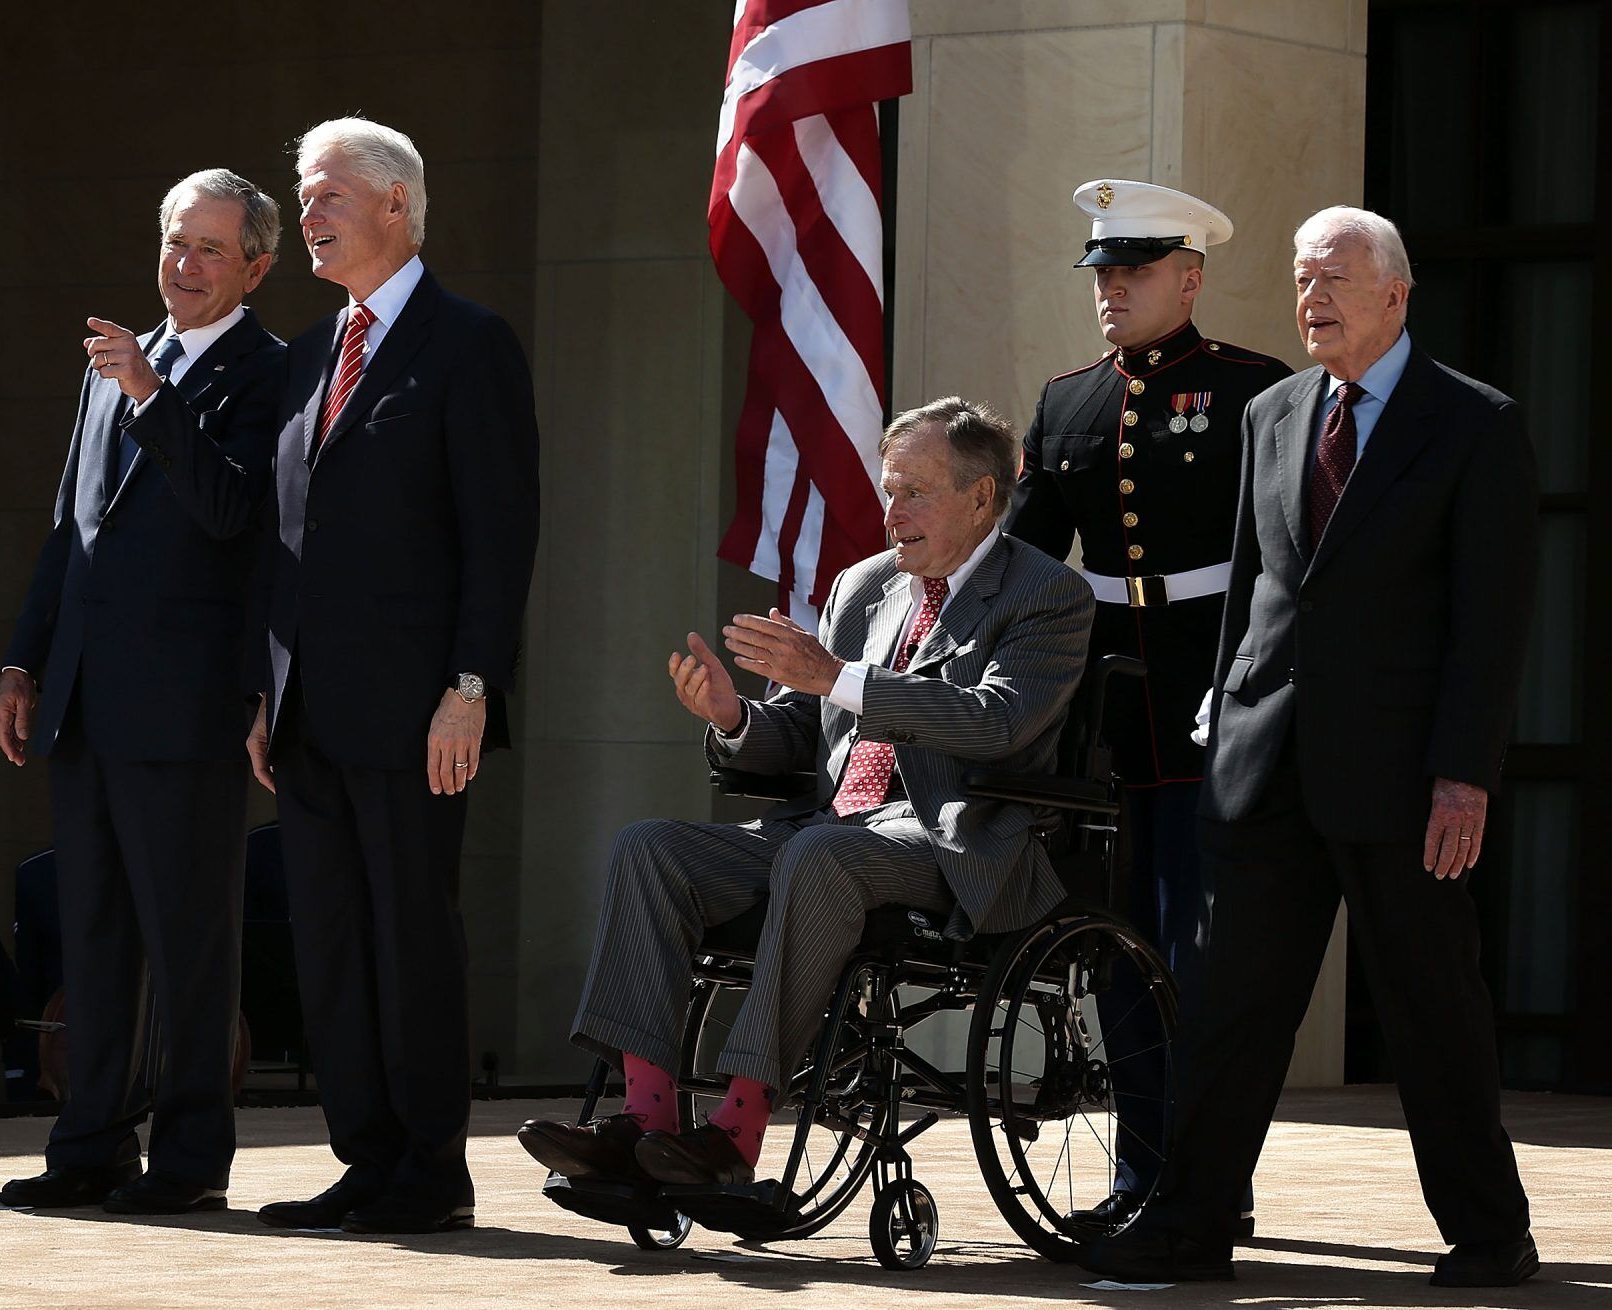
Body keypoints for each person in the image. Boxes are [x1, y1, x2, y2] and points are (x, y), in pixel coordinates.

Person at [1079, 207, 1542, 1288]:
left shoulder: (1473, 423)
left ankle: (1488, 1232)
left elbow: (1492, 621)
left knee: (1431, 1014)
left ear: (1394, 293)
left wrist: (1462, 773)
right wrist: (1220, 719)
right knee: (1228, 1009)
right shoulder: (1276, 410)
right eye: (1299, 278)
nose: (1311, 298)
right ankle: (1188, 1223)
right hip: (1261, 763)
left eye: (1333, 277)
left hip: (1399, 777)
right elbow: (1252, 586)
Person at [132, 117, 540, 1234]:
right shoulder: (311, 352)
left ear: (397, 204)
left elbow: (499, 536)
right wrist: (267, 687)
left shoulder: (468, 343)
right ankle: (364, 1157)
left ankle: (429, 1167)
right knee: (330, 941)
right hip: (307, 708)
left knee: (411, 935)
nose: (306, 215)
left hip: (418, 711)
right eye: (302, 199)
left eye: (325, 198)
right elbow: (279, 536)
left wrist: (471, 685)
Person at [518, 398, 1093, 1190]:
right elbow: (801, 731)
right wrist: (731, 717)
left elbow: (998, 722)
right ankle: (645, 1123)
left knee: (822, 854)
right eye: (890, 491)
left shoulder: (1046, 593)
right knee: (649, 847)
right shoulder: (863, 587)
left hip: (952, 837)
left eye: (916, 492)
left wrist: (838, 676)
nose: (894, 512)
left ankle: (735, 1135)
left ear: (982, 497)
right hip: (828, 829)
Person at [0, 168, 287, 1215]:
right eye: (172, 242)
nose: (183, 264)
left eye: (208, 248)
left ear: (254, 263)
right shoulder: (110, 367)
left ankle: (191, 1158)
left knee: (189, 942)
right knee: (97, 934)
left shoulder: (268, 374)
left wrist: (154, 401)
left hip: (189, 705)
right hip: (84, 695)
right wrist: (25, 659)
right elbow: (69, 532)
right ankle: (89, 1145)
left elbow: (232, 516)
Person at [1007, 180, 1291, 1233]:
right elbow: (1028, 563)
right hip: (1107, 714)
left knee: (1205, 957)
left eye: (1131, 273)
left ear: (1189, 276)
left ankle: (1209, 1176)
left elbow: (1281, 558)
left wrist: (1253, 681)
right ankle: (1141, 1174)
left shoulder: (1253, 391)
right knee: (1118, 948)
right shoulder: (1065, 400)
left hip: (1219, 695)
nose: (1110, 291)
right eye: (1101, 274)